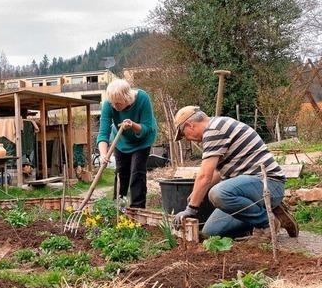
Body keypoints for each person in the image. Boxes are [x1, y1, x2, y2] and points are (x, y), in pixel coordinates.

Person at [172, 106, 299, 238]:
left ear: (189, 125)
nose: (186, 138)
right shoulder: (217, 126)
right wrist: (196, 194)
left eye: (183, 134)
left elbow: (205, 175)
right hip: (251, 189)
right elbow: (217, 172)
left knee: (218, 193)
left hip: (269, 185)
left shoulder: (214, 130)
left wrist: (191, 209)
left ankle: (267, 223)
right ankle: (269, 210)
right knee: (211, 233)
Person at [97, 79, 158, 208]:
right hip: (121, 140)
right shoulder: (109, 104)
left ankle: (138, 209)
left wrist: (132, 125)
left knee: (137, 173)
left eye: (117, 103)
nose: (114, 106)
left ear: (127, 98)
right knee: (121, 173)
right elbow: (103, 132)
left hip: (142, 140)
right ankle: (119, 208)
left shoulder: (142, 98)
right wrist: (103, 154)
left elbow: (147, 127)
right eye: (112, 103)